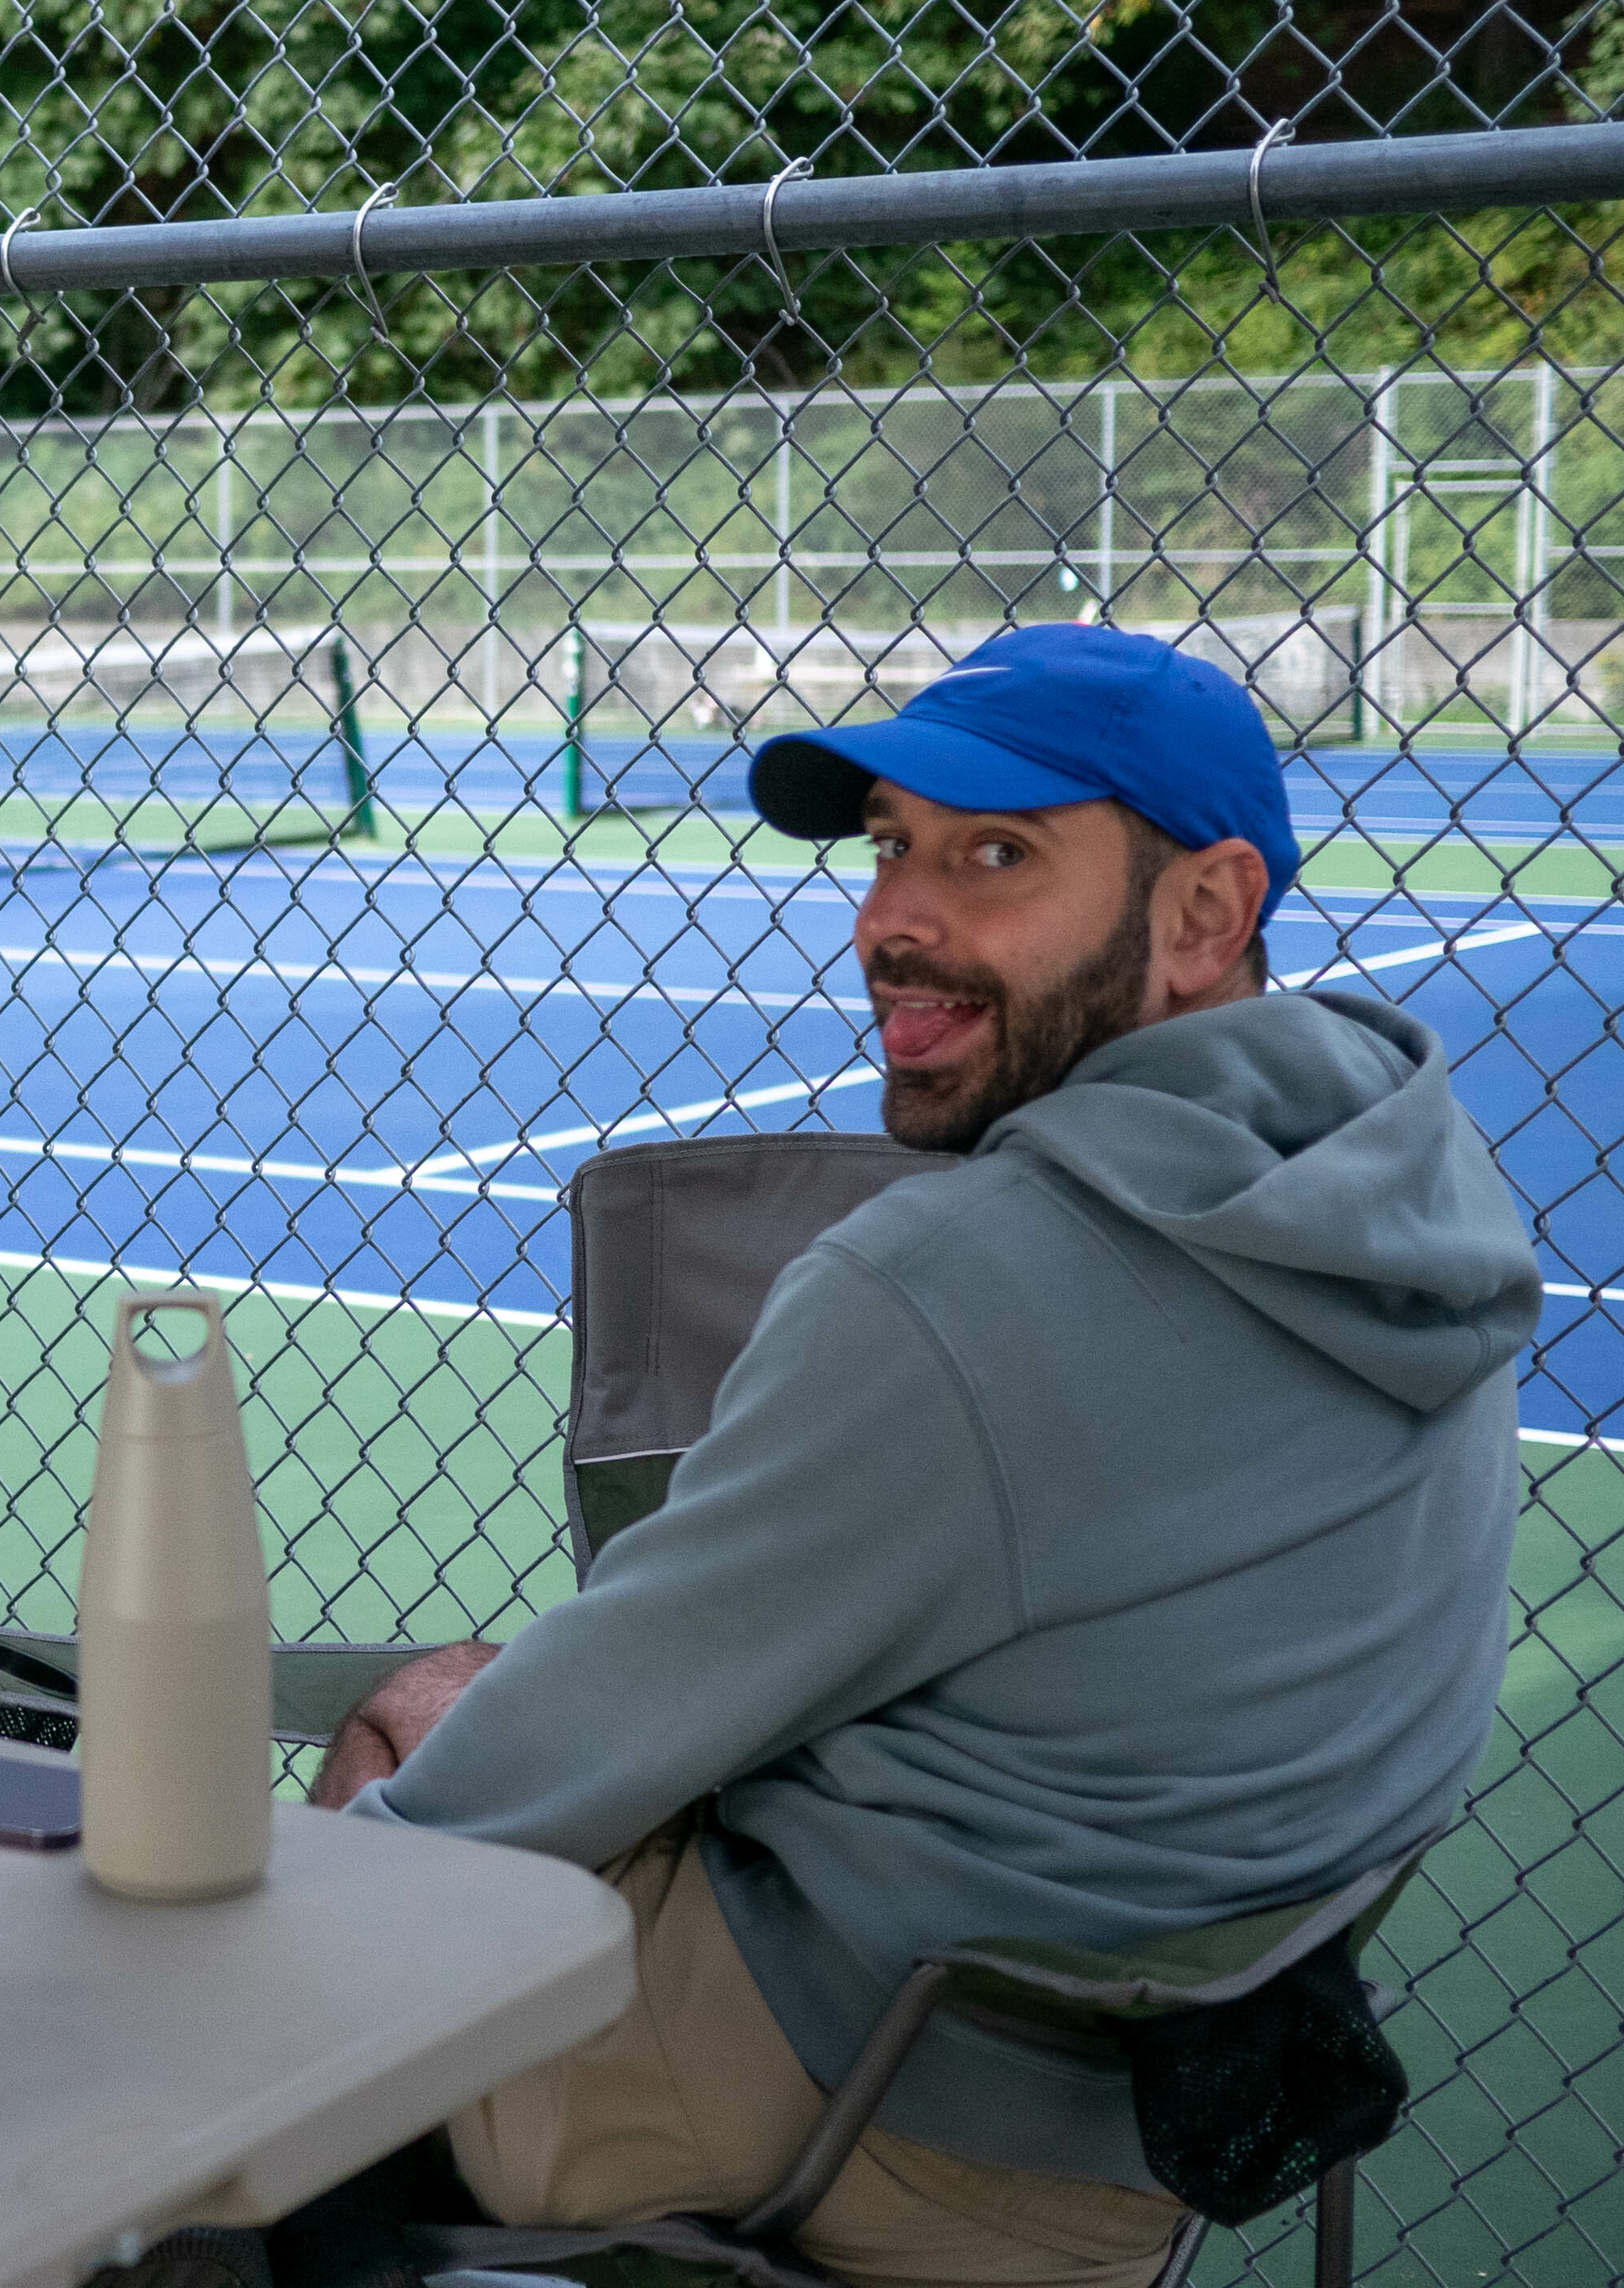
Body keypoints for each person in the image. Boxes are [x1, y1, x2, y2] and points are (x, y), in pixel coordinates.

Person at [300, 625, 1539, 2288]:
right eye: (892, 843)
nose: (896, 915)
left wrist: (294, 1942)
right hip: (1178, 2077)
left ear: (1202, 909)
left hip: (883, 2109)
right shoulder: (1410, 1193)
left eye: (997, 854)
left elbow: (550, 1759)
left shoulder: (952, 1286)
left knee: (416, 1727)